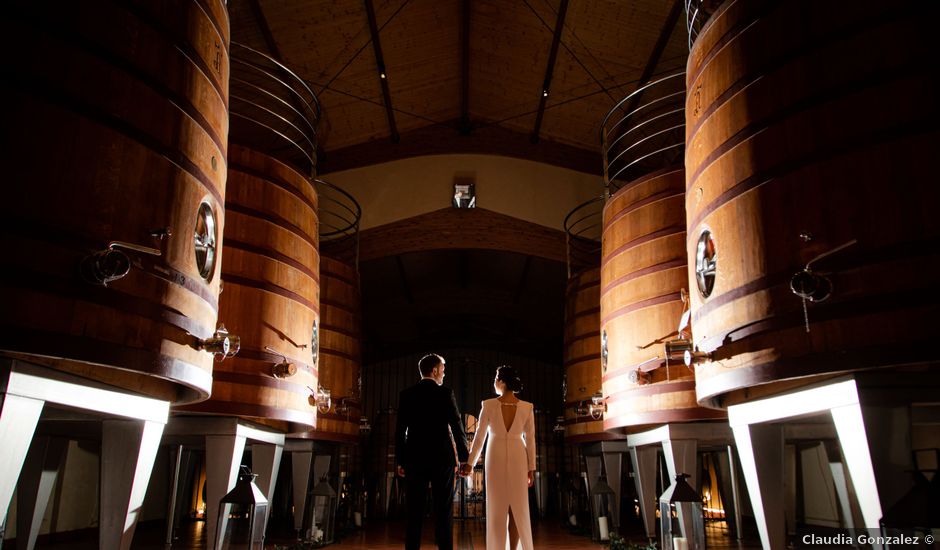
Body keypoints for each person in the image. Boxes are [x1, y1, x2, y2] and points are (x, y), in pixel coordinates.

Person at [395, 353, 470, 550]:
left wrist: (401, 460)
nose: (444, 375)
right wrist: (464, 459)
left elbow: (400, 431)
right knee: (443, 511)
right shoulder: (445, 394)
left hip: (414, 459)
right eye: (443, 371)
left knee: (414, 512)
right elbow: (456, 426)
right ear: (435, 371)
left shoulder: (407, 394)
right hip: (442, 459)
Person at [460, 365, 535, 550]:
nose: (494, 381)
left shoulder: (488, 405)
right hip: (519, 455)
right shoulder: (527, 407)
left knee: (497, 508)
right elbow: (531, 440)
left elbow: (479, 437)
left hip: (495, 454)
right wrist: (531, 468)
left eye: (496, 378)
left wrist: (470, 463)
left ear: (501, 382)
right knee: (518, 508)